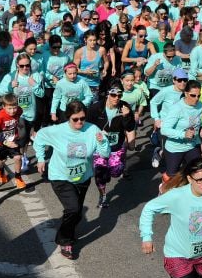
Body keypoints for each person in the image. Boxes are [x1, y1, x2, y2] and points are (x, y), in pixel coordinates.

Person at [34, 100, 110, 260]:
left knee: (75, 213)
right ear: (68, 117)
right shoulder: (58, 131)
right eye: (75, 119)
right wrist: (40, 158)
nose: (80, 122)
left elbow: (105, 154)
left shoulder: (92, 129)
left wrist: (102, 141)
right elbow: (39, 136)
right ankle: (65, 241)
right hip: (60, 176)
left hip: (82, 177)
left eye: (82, 118)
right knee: (74, 209)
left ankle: (66, 232)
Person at [86, 85, 137, 207]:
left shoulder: (125, 107)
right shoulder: (95, 108)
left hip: (116, 147)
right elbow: (86, 126)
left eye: (119, 95)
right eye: (113, 95)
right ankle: (103, 196)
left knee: (115, 171)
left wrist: (126, 116)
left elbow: (130, 127)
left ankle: (114, 167)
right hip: (99, 147)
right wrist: (97, 133)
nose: (117, 98)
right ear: (108, 94)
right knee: (99, 173)